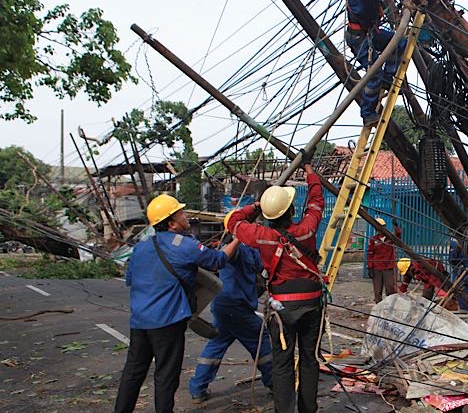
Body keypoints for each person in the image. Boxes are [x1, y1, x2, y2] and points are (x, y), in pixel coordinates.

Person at [114, 194, 240, 413]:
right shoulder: (184, 245)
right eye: (181, 213)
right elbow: (217, 261)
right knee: (165, 376)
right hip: (167, 322)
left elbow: (131, 280)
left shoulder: (142, 246)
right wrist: (239, 238)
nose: (186, 215)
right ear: (171, 222)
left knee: (133, 373)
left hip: (140, 321)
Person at [226, 164, 324, 413]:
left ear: (268, 216)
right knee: (309, 360)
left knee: (282, 364)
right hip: (312, 303)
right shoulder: (306, 231)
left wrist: (256, 206)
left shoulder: (260, 235)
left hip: (282, 308)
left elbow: (234, 222)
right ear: (291, 210)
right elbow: (316, 201)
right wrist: (311, 173)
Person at [334, 0, 424, 126]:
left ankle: (387, 77)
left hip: (370, 32)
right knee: (373, 75)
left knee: (400, 43)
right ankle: (367, 113)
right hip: (358, 38)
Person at [189, 231, 274, 403]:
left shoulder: (243, 249)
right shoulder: (236, 249)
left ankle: (197, 389)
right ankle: (276, 384)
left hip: (224, 306)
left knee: (216, 344)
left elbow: (261, 266)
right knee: (261, 341)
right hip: (236, 307)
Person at [367, 218, 400, 303]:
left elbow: (398, 236)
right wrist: (370, 267)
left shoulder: (390, 238)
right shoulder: (373, 240)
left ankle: (390, 306)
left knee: (390, 289)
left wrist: (396, 226)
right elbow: (370, 254)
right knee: (377, 291)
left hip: (388, 268)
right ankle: (378, 306)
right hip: (377, 268)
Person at [448, 239, 468, 310]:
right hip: (462, 275)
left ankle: (466, 309)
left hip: (464, 277)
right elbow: (452, 260)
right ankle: (466, 309)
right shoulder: (455, 246)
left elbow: (452, 260)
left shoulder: (457, 246)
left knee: (463, 292)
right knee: (462, 293)